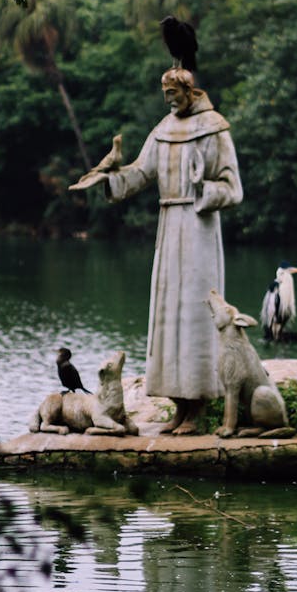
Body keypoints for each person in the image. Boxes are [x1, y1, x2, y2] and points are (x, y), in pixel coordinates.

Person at [70, 66, 242, 433]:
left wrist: (203, 190)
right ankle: (179, 406)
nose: (167, 100)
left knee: (196, 314)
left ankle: (198, 408)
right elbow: (141, 173)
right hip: (169, 228)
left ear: (188, 90)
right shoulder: (162, 130)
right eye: (163, 93)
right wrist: (109, 179)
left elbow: (233, 188)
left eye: (172, 92)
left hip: (198, 227)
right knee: (168, 315)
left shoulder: (214, 128)